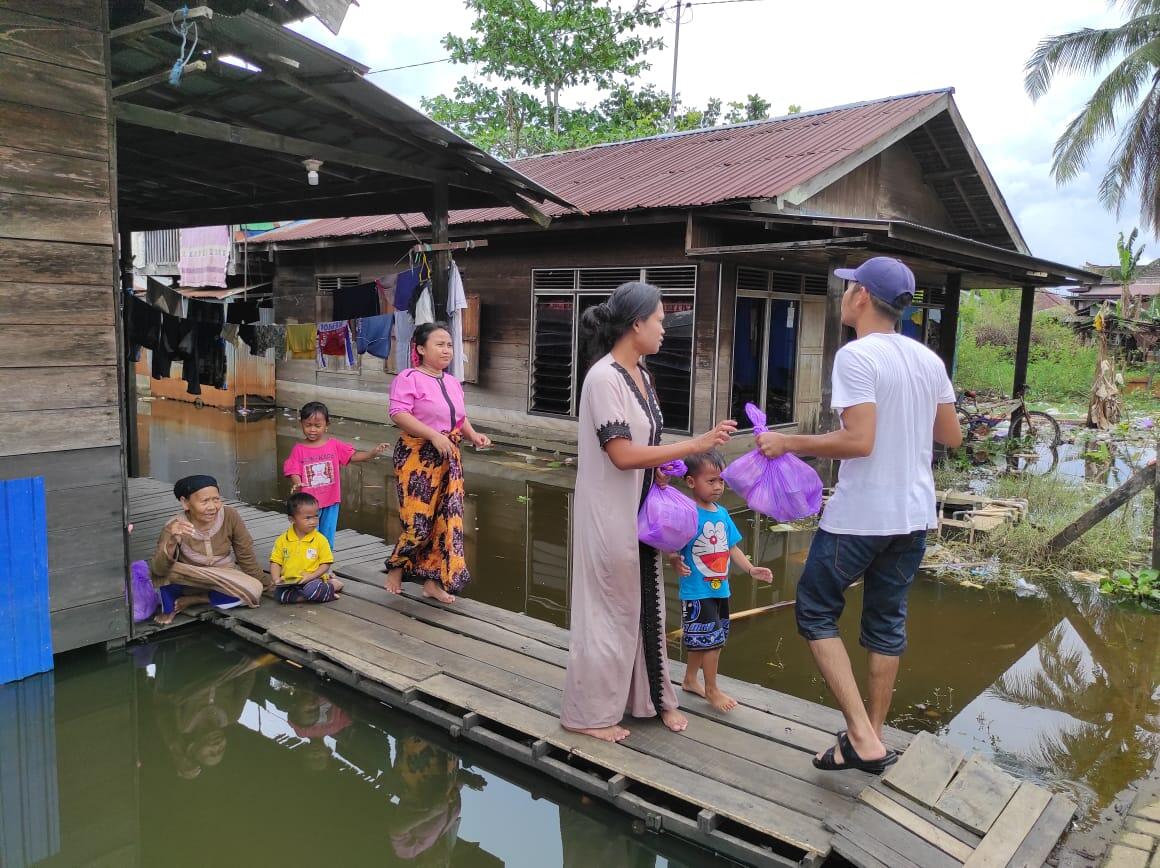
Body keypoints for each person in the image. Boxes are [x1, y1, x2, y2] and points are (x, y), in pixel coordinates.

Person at [756, 257, 962, 773]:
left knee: (815, 610)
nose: (844, 293)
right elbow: (950, 436)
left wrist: (788, 443)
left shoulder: (857, 356)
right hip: (914, 516)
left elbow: (858, 442)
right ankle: (870, 737)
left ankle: (862, 737)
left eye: (849, 286)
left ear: (863, 297)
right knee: (885, 623)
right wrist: (907, 416)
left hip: (861, 517)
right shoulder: (927, 360)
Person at [560, 282, 737, 743]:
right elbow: (620, 453)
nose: (665, 328)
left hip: (639, 509)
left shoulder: (641, 373)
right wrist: (696, 444)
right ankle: (588, 713)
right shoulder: (603, 378)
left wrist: (663, 468)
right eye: (659, 319)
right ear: (635, 324)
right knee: (610, 610)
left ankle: (647, 698)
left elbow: (646, 449)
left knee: (643, 605)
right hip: (607, 511)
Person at [383, 321, 492, 604]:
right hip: (417, 456)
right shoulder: (409, 377)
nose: (447, 350)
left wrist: (473, 435)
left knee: (446, 522)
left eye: (450, 345)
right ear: (420, 348)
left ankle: (432, 582)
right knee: (418, 522)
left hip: (448, 456)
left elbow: (459, 417)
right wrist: (433, 435)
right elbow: (398, 413)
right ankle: (396, 566)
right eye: (440, 344)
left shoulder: (453, 382)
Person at [668, 450, 773, 712]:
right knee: (711, 642)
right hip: (696, 591)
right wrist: (673, 559)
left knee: (706, 639)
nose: (717, 487)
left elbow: (731, 548)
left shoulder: (723, 514)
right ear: (691, 482)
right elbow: (670, 542)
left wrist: (750, 570)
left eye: (721, 481)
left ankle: (691, 680)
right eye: (711, 481)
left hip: (719, 589)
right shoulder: (687, 512)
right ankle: (712, 689)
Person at [150, 475, 270, 624]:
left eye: (216, 499)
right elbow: (160, 570)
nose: (212, 507)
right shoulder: (174, 526)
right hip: (189, 580)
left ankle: (197, 599)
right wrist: (171, 540)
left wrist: (264, 583)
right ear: (185, 503)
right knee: (162, 575)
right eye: (204, 501)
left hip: (223, 577)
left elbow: (245, 553)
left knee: (254, 591)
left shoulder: (230, 515)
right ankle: (172, 607)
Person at [283, 401, 390, 548]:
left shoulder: (334, 445)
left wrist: (372, 453)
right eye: (308, 425)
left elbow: (353, 456)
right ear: (301, 424)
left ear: (327, 425)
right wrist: (297, 481)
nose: (312, 430)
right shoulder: (299, 449)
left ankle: (325, 566)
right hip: (308, 505)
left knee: (327, 536)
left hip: (331, 501)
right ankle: (307, 565)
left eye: (317, 426)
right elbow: (293, 470)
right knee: (308, 536)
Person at [269, 492, 345, 604]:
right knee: (279, 595)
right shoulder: (282, 540)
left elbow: (326, 563)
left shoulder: (320, 539)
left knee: (312, 589)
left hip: (313, 580)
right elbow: (275, 562)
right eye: (308, 518)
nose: (313, 521)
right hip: (291, 581)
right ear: (292, 519)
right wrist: (276, 579)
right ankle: (314, 596)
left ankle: (332, 586)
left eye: (316, 516)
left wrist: (311, 576)